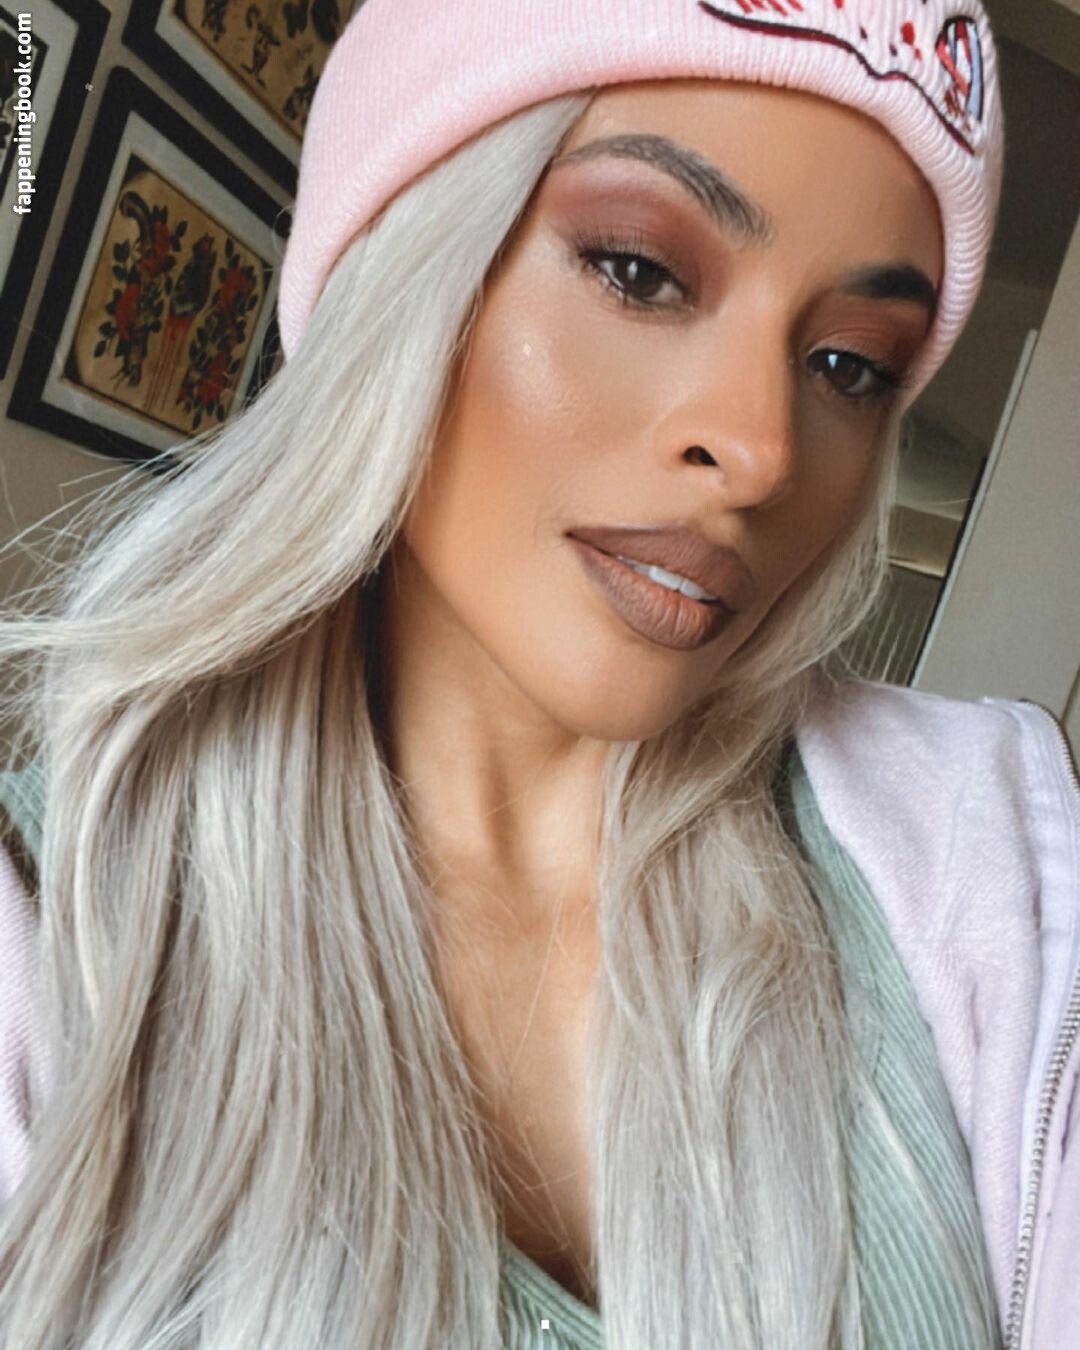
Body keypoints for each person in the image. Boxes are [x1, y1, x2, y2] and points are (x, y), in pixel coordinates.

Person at [0, 0, 1077, 1346]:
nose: (761, 451)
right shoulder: (47, 935)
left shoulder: (984, 855)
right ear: (408, 261)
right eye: (639, 271)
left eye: (848, 365)